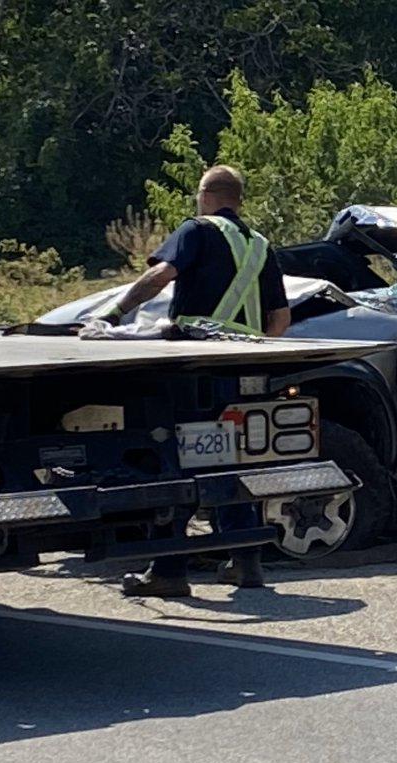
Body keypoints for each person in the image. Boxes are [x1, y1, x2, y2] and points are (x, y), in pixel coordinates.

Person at [94, 164, 290, 598]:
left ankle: (168, 571)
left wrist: (112, 314)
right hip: (240, 370)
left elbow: (160, 275)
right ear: (238, 199)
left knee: (177, 461)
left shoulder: (196, 230)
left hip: (192, 367)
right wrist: (250, 348)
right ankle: (246, 563)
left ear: (205, 195)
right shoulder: (260, 246)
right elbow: (280, 319)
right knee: (232, 461)